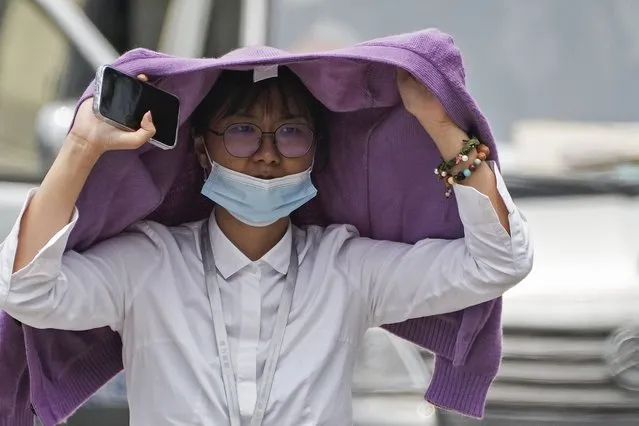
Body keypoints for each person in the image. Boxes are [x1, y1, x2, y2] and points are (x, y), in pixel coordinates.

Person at [1, 66, 532, 425]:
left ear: (315, 154)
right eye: (241, 132)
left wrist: (439, 124)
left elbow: (497, 262)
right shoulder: (148, 264)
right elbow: (27, 292)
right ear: (203, 152)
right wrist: (81, 145)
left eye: (291, 133)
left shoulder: (344, 266)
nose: (267, 153)